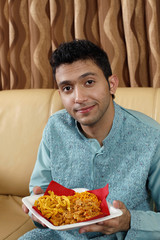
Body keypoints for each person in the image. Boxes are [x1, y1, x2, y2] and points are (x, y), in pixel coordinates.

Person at [19, 39, 160, 240]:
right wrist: (38, 210)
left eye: (89, 82)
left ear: (112, 84)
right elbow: (39, 198)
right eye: (67, 88)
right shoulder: (55, 127)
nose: (79, 97)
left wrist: (130, 221)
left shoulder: (151, 136)